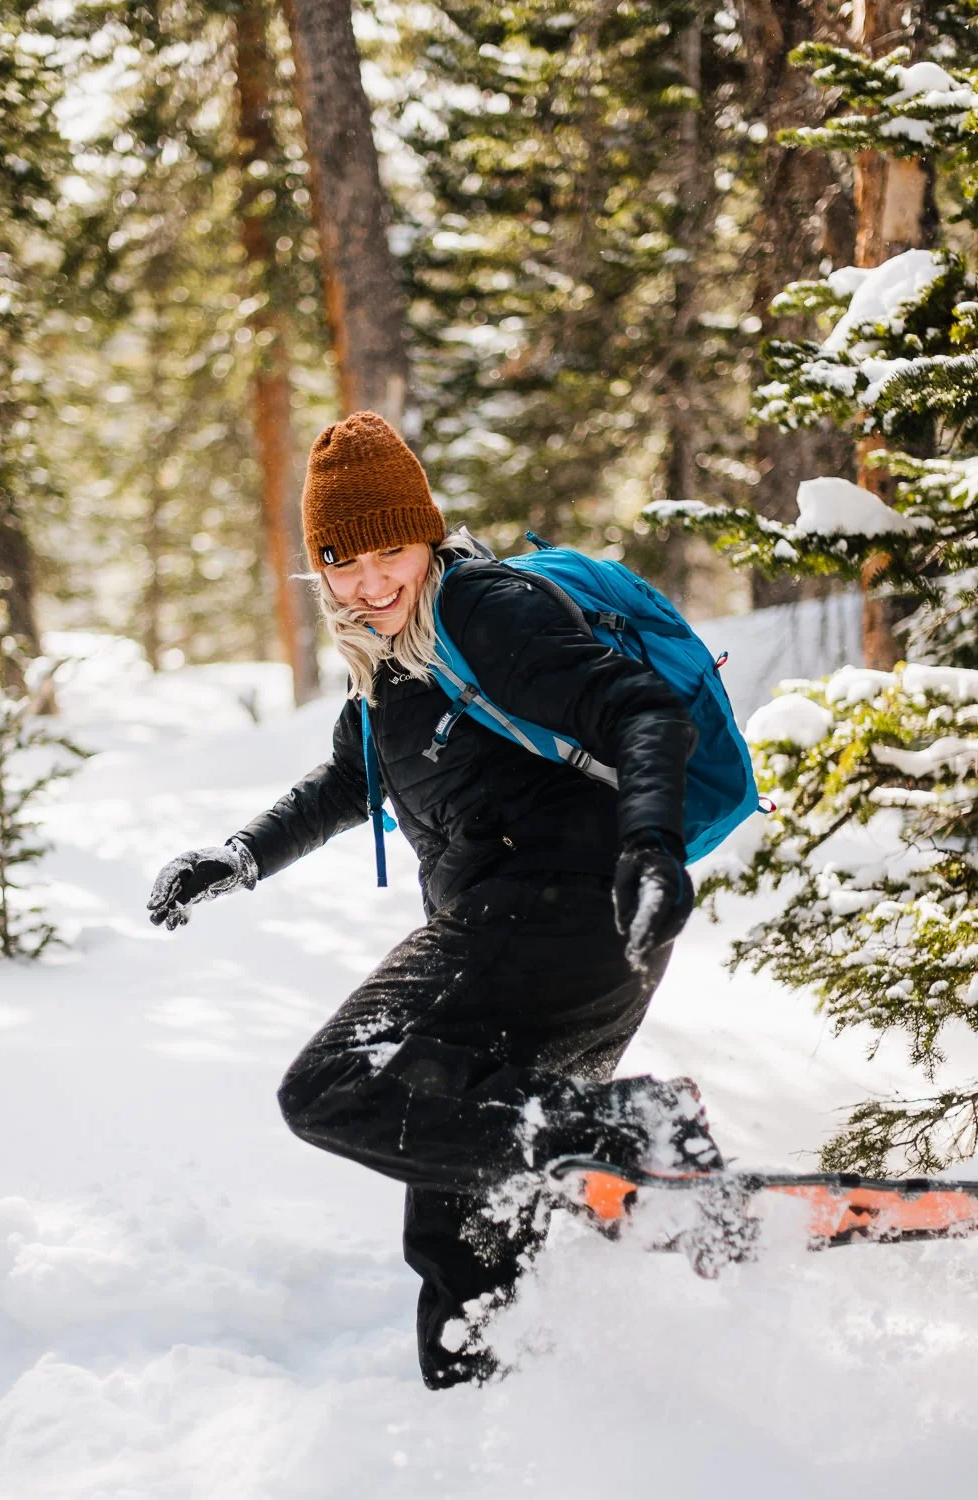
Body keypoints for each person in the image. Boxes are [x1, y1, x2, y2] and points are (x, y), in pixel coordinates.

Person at [147, 410, 720, 1390]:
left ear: (427, 536)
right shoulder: (386, 660)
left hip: (562, 911)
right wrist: (239, 855)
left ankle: (637, 1130)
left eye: (389, 552)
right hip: (545, 940)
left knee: (334, 1084)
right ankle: (493, 1407)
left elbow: (643, 711)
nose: (370, 582)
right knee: (462, 1229)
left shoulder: (483, 610)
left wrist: (650, 846)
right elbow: (347, 781)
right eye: (343, 561)